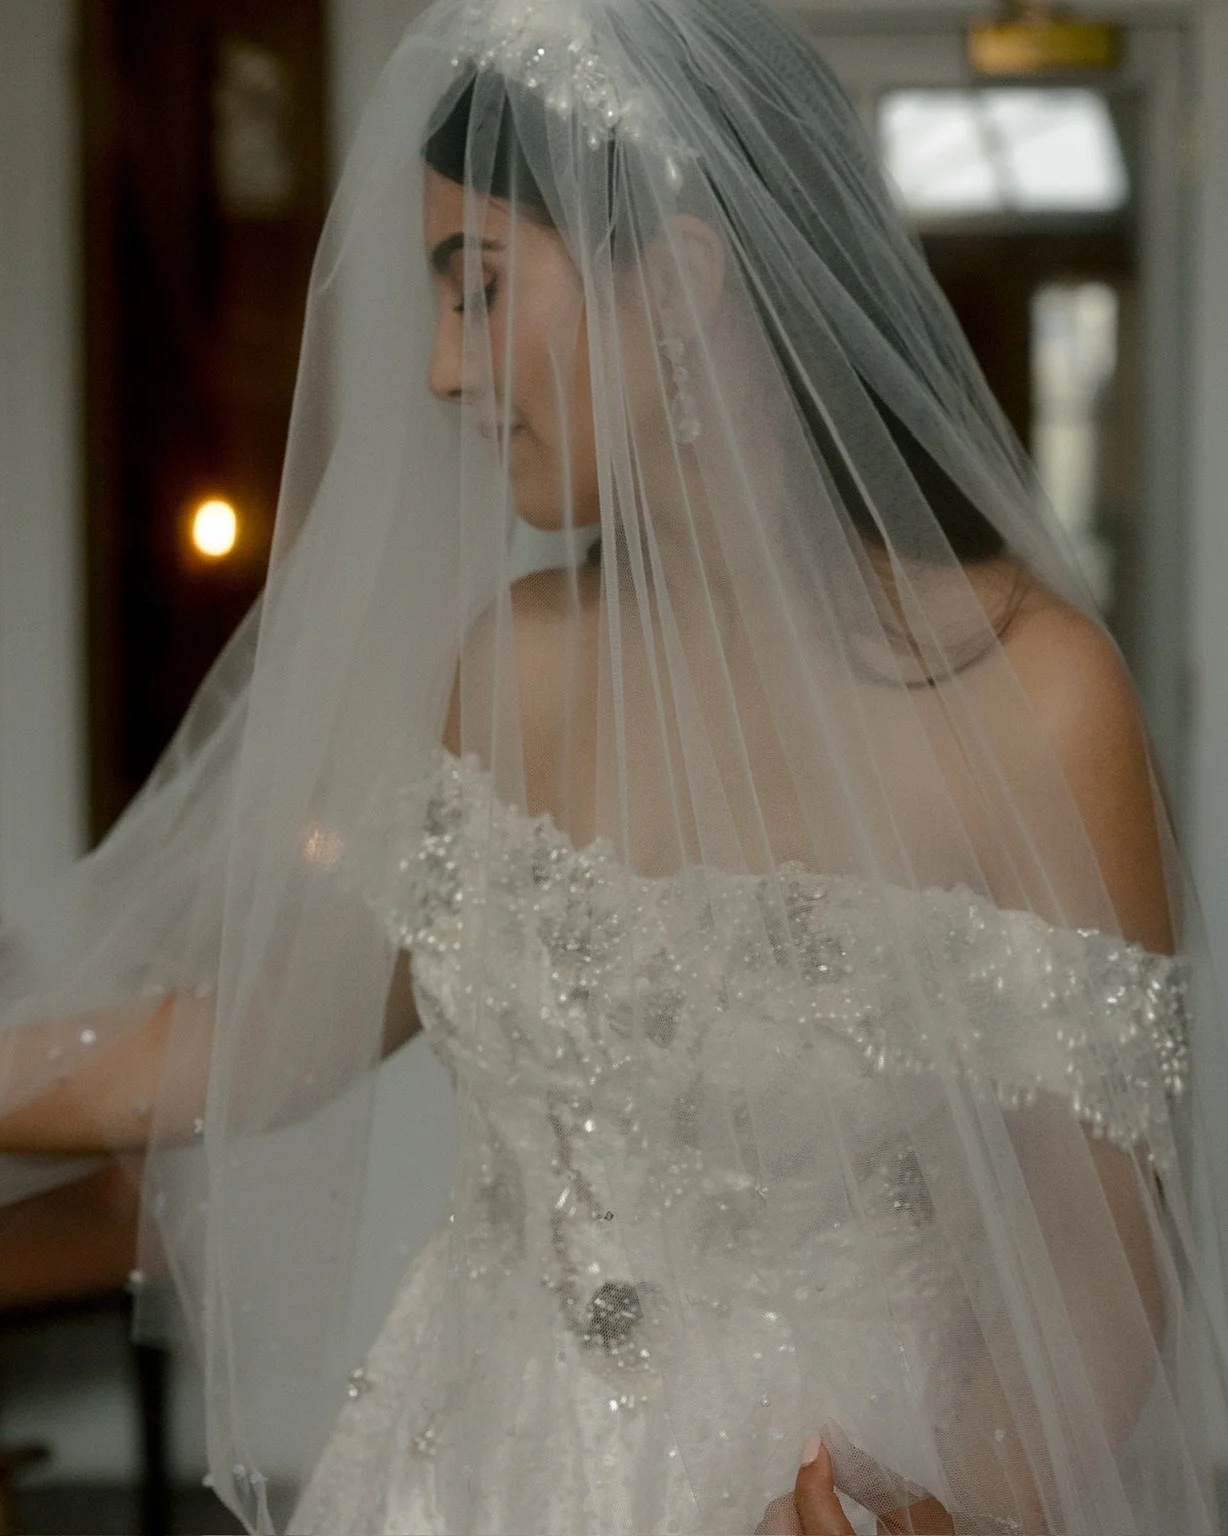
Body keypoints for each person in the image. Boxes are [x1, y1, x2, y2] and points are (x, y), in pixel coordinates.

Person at [0, 0, 1224, 1530]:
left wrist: (958, 1509)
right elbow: (257, 1036)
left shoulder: (1035, 703)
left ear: (680, 288)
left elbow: (1103, 1240)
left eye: (482, 288)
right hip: (468, 1470)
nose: (445, 372)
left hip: (824, 1489)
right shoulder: (509, 667)